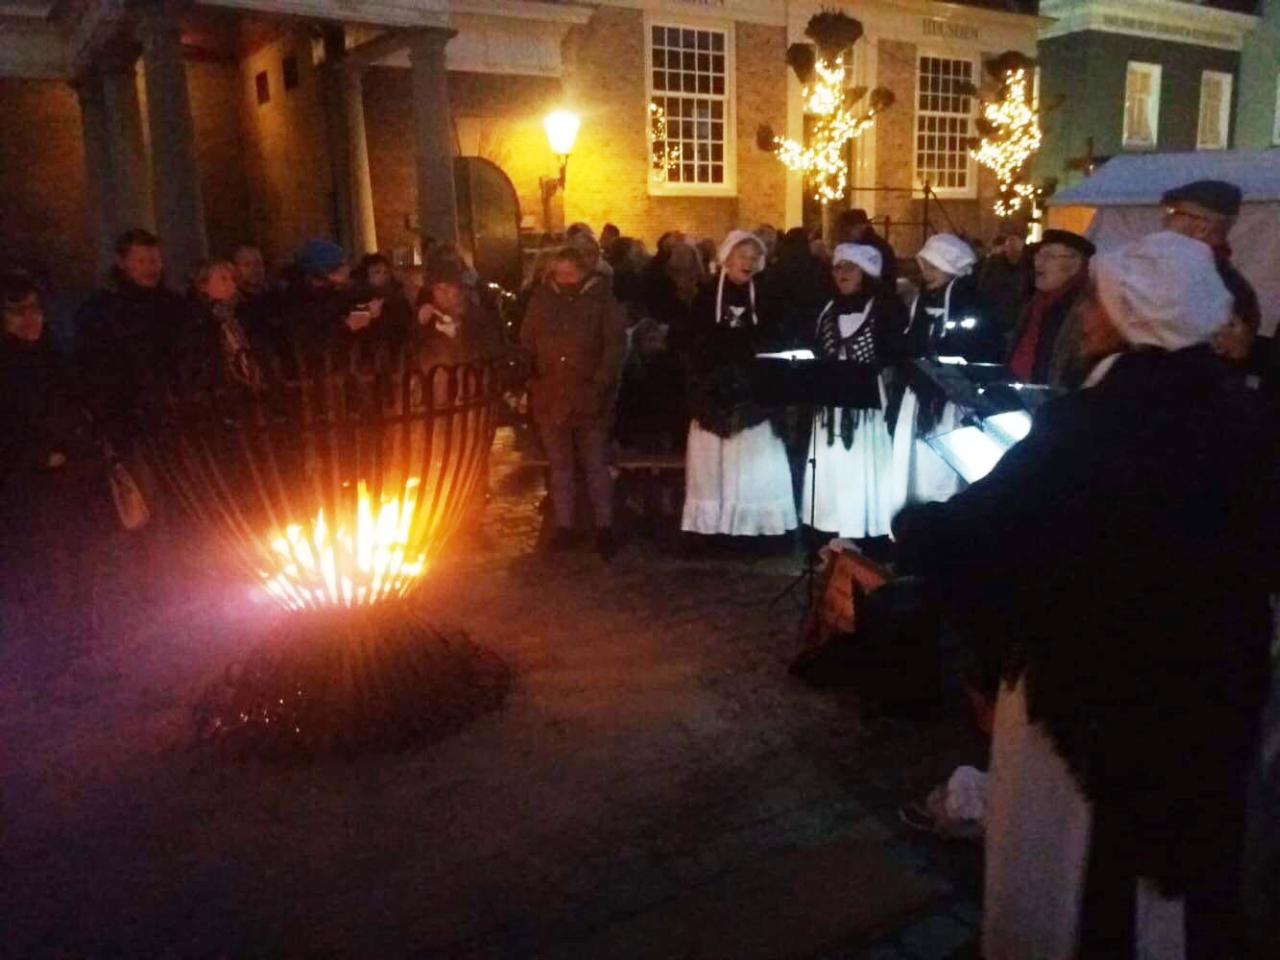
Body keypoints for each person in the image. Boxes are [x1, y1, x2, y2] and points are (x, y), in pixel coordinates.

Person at [893, 230, 1276, 960]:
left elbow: (988, 536)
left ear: (1131, 316)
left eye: (1099, 301)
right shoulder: (1241, 414)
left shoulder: (1091, 424)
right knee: (1181, 858)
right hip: (1208, 688)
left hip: (1090, 695)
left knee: (1080, 861)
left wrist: (920, 529)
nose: (1087, 316)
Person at [682, 230, 798, 540]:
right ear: (727, 258)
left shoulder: (767, 297)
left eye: (753, 257)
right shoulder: (706, 296)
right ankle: (712, 529)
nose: (748, 262)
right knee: (713, 465)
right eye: (742, 256)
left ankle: (755, 528)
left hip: (754, 395)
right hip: (713, 394)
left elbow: (776, 339)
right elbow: (692, 342)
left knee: (753, 463)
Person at [519, 246, 627, 559]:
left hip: (589, 398)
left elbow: (613, 349)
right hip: (551, 396)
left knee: (595, 464)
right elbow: (528, 342)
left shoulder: (602, 302)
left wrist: (599, 385)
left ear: (583, 273)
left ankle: (604, 526)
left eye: (571, 274)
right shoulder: (542, 301)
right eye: (560, 274)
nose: (566, 280)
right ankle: (564, 525)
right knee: (560, 467)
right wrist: (533, 378)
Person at [800, 244, 906, 543]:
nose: (841, 273)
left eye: (850, 267)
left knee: (862, 467)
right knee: (832, 467)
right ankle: (830, 526)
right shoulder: (827, 310)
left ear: (866, 272)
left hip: (867, 410)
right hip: (830, 407)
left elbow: (894, 355)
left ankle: (865, 530)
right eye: (837, 267)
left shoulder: (886, 309)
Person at [887, 233, 995, 513]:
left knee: (942, 469)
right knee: (916, 462)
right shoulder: (923, 301)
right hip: (919, 396)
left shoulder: (968, 302)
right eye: (924, 267)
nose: (927, 273)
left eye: (933, 266)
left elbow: (976, 346)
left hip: (951, 398)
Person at [75, 228, 189, 451]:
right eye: (141, 261)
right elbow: (96, 369)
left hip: (175, 411)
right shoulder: (102, 311)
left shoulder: (174, 305)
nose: (150, 268)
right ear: (122, 263)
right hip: (128, 417)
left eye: (154, 260)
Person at [1005, 229, 1094, 387]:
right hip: (1021, 393)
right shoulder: (1033, 303)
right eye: (1038, 256)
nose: (1038, 263)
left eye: (1049, 257)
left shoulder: (1086, 310)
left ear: (1074, 266)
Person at [180, 259, 265, 392]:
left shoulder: (244, 314)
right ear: (204, 286)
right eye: (223, 279)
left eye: (233, 279)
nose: (231, 284)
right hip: (219, 390)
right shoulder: (198, 322)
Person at [413, 258, 506, 367]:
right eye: (438, 288)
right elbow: (413, 358)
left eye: (449, 286)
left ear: (460, 287)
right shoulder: (429, 322)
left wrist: (458, 335)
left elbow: (492, 357)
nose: (444, 292)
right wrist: (420, 325)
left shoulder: (482, 321)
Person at [353, 252, 413, 348]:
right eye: (377, 272)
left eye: (385, 272)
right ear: (366, 275)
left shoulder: (397, 297)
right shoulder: (359, 299)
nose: (382, 276)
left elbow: (407, 325)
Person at [834, 208, 898, 292]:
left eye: (847, 230)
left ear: (860, 227)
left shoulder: (867, 249)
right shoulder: (879, 244)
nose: (844, 235)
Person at [976, 232, 1029, 333]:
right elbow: (983, 286)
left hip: (1014, 317)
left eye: (1018, 251)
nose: (1015, 253)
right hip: (993, 315)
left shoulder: (1025, 266)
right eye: (1012, 249)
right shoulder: (993, 263)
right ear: (1006, 248)